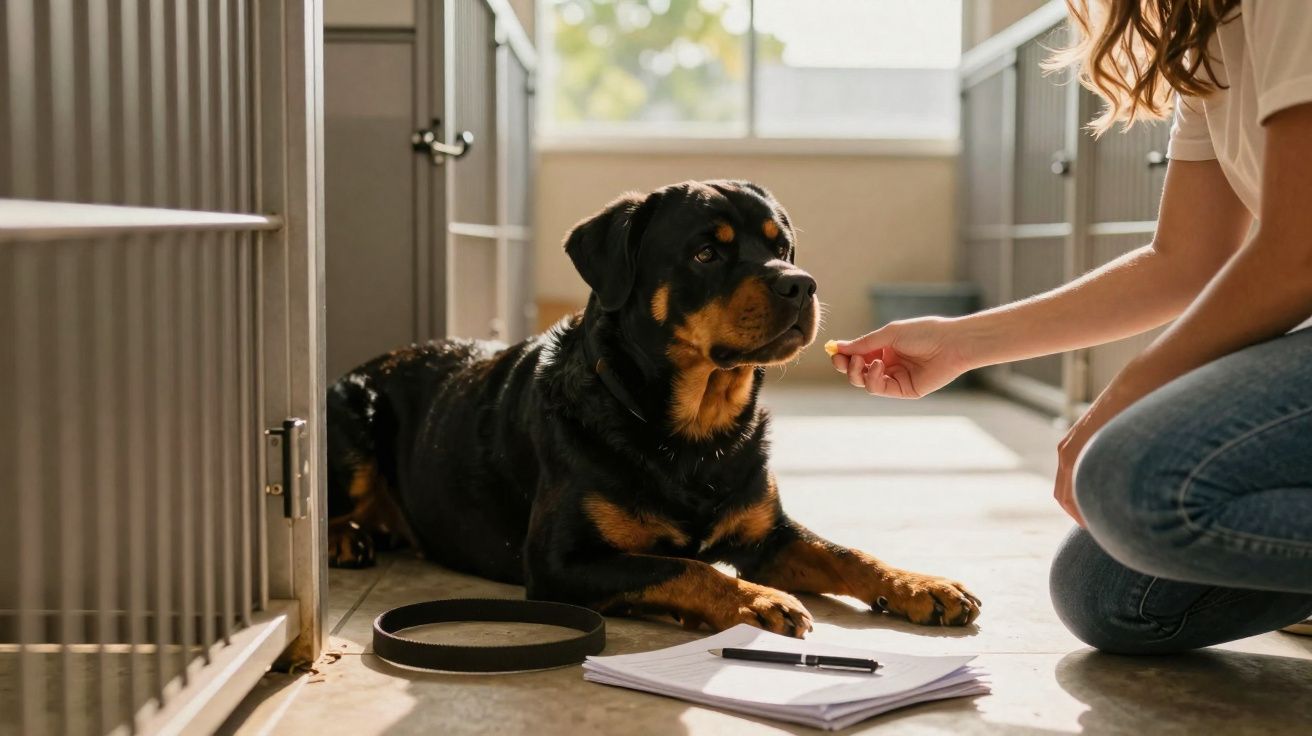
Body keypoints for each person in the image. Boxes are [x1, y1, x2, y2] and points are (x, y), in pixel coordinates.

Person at [831, 0, 1312, 653]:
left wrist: (1116, 402)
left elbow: (1297, 252)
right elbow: (1184, 261)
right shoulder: (1206, 31)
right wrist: (960, 343)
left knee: (1131, 483)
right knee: (1108, 595)